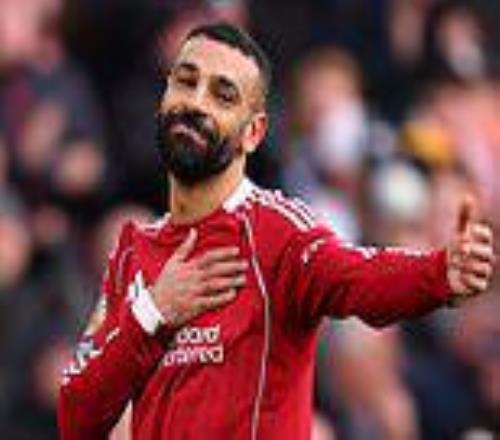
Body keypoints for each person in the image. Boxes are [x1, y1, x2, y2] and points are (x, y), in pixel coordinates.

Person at [57, 22, 495, 439]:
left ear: (254, 133)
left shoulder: (280, 234)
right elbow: (76, 416)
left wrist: (439, 273)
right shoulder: (133, 252)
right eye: (186, 82)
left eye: (223, 95)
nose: (196, 103)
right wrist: (153, 311)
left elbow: (359, 278)